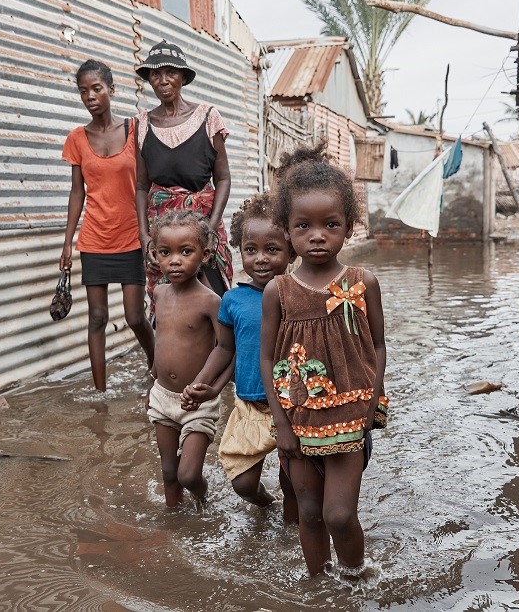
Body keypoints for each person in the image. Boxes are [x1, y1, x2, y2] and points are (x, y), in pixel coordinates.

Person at [259, 145, 389, 577]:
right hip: (296, 419)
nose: (317, 235)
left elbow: (379, 346)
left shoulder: (362, 282)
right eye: (304, 226)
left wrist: (372, 402)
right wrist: (280, 423)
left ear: (348, 228)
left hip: (351, 417)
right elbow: (265, 355)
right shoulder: (278, 291)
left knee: (338, 515)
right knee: (309, 514)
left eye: (330, 224)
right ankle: (319, 586)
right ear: (286, 230)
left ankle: (355, 580)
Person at [182, 194, 298, 523]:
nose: (260, 259)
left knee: (294, 482)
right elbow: (224, 349)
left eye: (272, 249)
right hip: (248, 403)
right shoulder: (232, 300)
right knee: (243, 483)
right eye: (251, 250)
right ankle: (268, 507)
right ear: (239, 250)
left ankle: (293, 538)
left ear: (291, 250)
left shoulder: (298, 296)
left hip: (291, 406)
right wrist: (203, 383)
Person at [60, 60, 155, 392]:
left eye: (97, 88)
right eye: (83, 91)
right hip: (94, 240)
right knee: (97, 318)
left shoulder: (134, 130)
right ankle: (100, 392)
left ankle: (157, 371)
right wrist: (67, 243)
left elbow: (146, 183)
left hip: (131, 238)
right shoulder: (77, 139)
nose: (90, 96)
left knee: (134, 317)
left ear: (111, 90)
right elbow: (77, 192)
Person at [133, 40, 234, 309]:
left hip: (202, 223)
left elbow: (223, 178)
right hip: (162, 231)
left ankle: (222, 351)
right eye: (155, 74)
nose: (163, 80)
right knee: (169, 303)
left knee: (215, 298)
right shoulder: (142, 123)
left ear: (183, 77)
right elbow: (142, 185)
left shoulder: (207, 117)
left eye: (171, 72)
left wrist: (210, 228)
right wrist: (145, 236)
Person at [146, 209, 224, 508]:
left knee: (189, 475)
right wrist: (151, 384)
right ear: (154, 255)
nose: (174, 260)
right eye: (165, 252)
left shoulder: (211, 301)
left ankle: (204, 503)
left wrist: (206, 386)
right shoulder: (160, 294)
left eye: (185, 251)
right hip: (163, 396)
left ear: (204, 255)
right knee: (169, 472)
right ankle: (174, 520)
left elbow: (225, 349)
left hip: (198, 402)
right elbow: (161, 341)